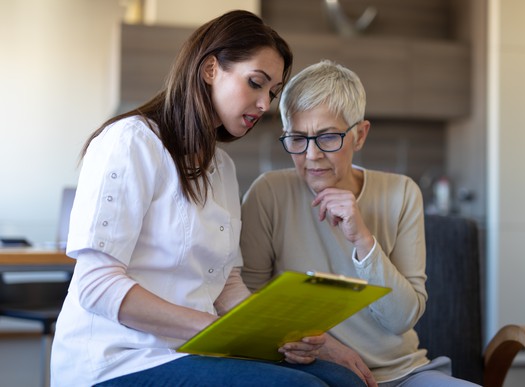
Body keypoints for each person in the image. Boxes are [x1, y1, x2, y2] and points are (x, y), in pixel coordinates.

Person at [51, 12, 365, 387]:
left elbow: (226, 284)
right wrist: (215, 329)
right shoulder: (131, 141)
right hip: (119, 358)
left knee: (345, 381)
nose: (265, 104)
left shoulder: (223, 168)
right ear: (210, 69)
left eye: (272, 92)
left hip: (196, 349)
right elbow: (96, 285)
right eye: (256, 83)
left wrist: (284, 336)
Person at [240, 60, 481, 387]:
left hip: (404, 374)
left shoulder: (402, 193)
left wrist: (364, 242)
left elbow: (401, 320)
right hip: (311, 375)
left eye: (327, 137)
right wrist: (322, 346)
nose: (311, 155)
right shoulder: (268, 193)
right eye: (297, 138)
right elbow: (246, 308)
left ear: (360, 135)